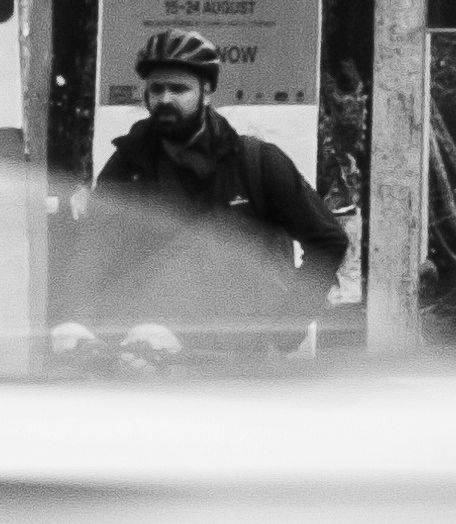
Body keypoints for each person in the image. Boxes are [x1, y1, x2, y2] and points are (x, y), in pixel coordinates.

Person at [81, 25, 350, 333]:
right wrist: (80, 323)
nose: (165, 99)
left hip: (239, 363)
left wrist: (283, 328)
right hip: (151, 355)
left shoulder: (256, 162)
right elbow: (91, 253)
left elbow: (328, 242)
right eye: (156, 89)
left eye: (179, 89)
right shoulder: (127, 166)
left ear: (206, 92)